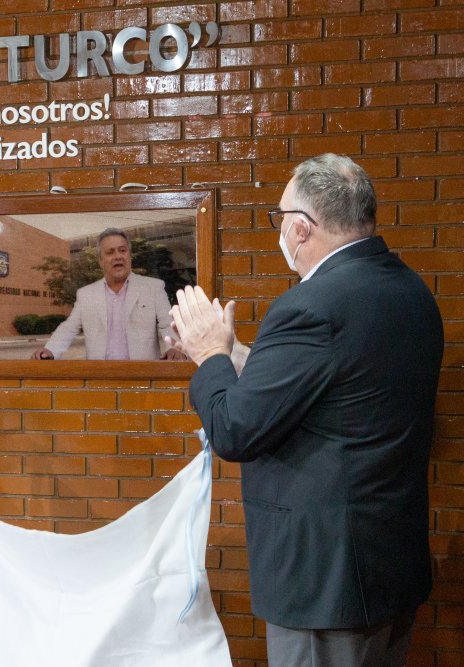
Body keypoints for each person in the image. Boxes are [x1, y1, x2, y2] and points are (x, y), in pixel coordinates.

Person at [170, 154, 444, 666]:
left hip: (327, 584)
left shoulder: (310, 305)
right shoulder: (410, 290)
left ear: (300, 228)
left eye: (279, 218)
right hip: (389, 566)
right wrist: (234, 354)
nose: (279, 230)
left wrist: (208, 356)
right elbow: (337, 385)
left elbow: (234, 430)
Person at [31, 228, 184, 360]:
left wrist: (174, 348)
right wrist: (50, 350)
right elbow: (69, 328)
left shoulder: (153, 287)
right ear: (100, 261)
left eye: (122, 250)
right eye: (110, 252)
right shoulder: (86, 295)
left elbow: (168, 324)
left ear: (129, 255)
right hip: (101, 376)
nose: (118, 256)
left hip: (143, 375)